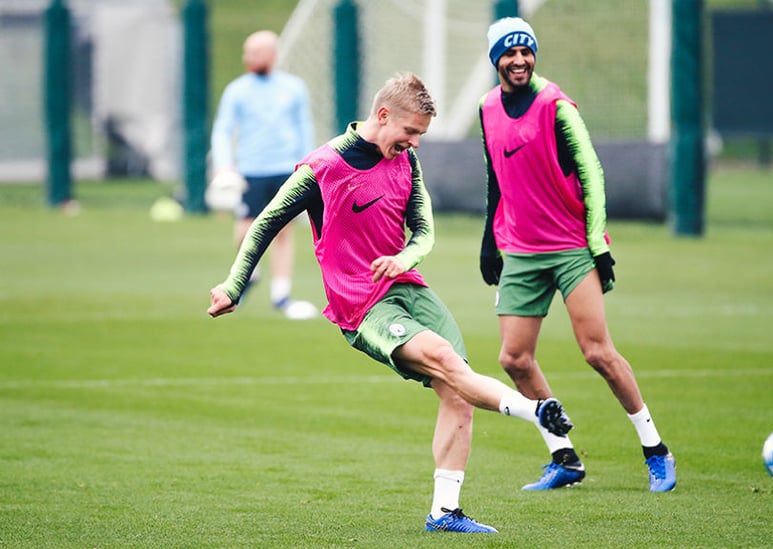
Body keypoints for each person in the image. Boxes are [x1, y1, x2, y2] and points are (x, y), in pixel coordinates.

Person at [207, 72, 574, 533]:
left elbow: (424, 231)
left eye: (420, 134)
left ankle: (445, 512)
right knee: (445, 359)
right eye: (411, 132)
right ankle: (538, 411)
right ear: (383, 116)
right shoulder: (321, 168)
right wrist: (233, 286)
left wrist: (404, 258)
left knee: (456, 391)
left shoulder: (407, 163)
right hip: (361, 305)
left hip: (410, 290)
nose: (415, 143)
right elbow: (264, 224)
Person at [477, 17, 677, 493]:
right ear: (496, 60)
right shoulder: (487, 108)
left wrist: (598, 244)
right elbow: (495, 181)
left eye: (527, 51)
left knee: (597, 352)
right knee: (514, 359)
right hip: (521, 250)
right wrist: (490, 242)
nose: (520, 60)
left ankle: (656, 450)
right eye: (510, 53)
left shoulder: (555, 105)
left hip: (570, 247)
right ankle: (563, 456)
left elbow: (592, 172)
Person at [210, 30, 316, 319]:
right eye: (247, 53)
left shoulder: (293, 88)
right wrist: (224, 163)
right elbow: (223, 129)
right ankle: (251, 272)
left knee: (283, 231)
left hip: (286, 169)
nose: (249, 59)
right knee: (245, 230)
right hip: (251, 170)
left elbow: (303, 126)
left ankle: (281, 295)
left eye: (255, 53)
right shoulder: (237, 90)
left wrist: (309, 164)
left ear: (271, 55)